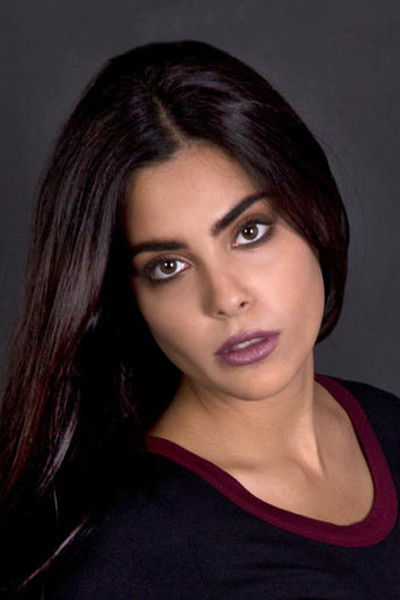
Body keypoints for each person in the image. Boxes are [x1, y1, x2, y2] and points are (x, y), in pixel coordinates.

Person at [0, 39, 399, 600]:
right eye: (169, 266)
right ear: (127, 298)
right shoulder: (125, 557)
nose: (227, 298)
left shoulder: (389, 424)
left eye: (250, 232)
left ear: (314, 213)